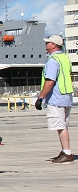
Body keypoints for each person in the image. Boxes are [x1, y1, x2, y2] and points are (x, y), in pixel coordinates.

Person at [35, 35, 74, 164]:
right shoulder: (64, 58)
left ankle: (67, 153)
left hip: (56, 98)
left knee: (60, 126)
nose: (46, 44)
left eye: (48, 43)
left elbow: (50, 81)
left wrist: (41, 97)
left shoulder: (53, 60)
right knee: (63, 125)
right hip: (67, 96)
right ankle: (64, 151)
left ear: (54, 45)